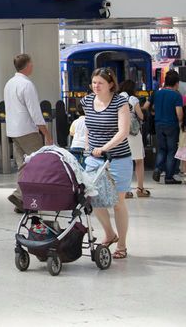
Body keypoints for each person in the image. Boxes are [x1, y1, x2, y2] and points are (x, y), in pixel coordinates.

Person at [82, 67, 132, 260]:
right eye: (94, 82)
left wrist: (104, 147)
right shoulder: (87, 101)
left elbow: (123, 131)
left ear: (111, 84)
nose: (96, 86)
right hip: (93, 159)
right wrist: (88, 146)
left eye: (100, 83)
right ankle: (110, 233)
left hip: (118, 159)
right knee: (93, 199)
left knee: (118, 203)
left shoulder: (120, 102)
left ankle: (122, 244)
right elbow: (88, 126)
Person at [4, 54, 53, 210]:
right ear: (27, 66)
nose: (33, 66)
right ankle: (23, 197)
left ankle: (22, 200)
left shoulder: (9, 83)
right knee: (38, 165)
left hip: (13, 131)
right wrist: (47, 134)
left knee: (24, 166)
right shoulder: (27, 85)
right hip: (27, 131)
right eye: (32, 63)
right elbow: (35, 112)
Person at [151, 70, 183, 185]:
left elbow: (150, 107)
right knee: (171, 151)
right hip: (171, 125)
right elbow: (179, 114)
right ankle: (169, 177)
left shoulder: (157, 93)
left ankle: (158, 169)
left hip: (158, 124)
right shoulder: (176, 95)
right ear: (176, 83)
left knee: (162, 149)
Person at [119, 80, 149, 197]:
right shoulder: (133, 99)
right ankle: (140, 189)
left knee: (124, 161)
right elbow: (141, 116)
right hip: (133, 134)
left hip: (121, 133)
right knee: (139, 161)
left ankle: (124, 190)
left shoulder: (116, 98)